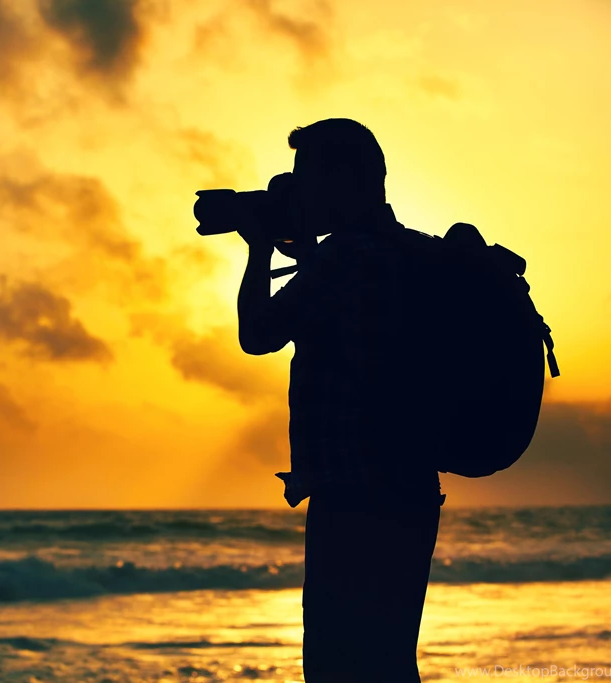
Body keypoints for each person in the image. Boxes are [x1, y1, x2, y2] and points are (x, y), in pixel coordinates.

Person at [236, 118, 446, 682]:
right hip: (409, 489)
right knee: (388, 662)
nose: (299, 193)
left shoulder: (346, 258)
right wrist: (305, 252)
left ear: (342, 180)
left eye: (306, 178)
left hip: (354, 497)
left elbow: (258, 333)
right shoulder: (406, 252)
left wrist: (259, 248)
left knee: (336, 666)